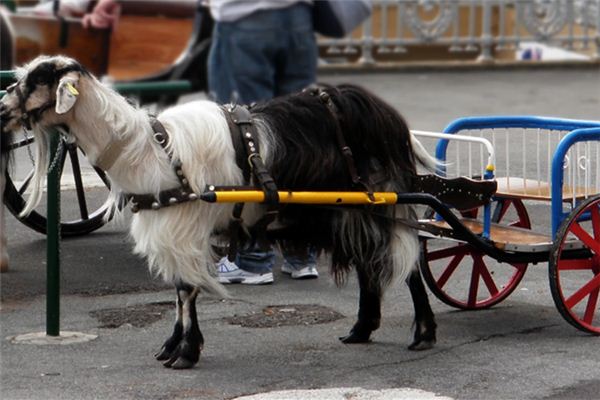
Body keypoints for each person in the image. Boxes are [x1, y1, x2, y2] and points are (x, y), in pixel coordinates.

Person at [82, 0, 319, 284]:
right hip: (299, 18)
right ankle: (302, 252)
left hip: (245, 19)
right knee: (298, 133)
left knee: (244, 137)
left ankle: (254, 259)